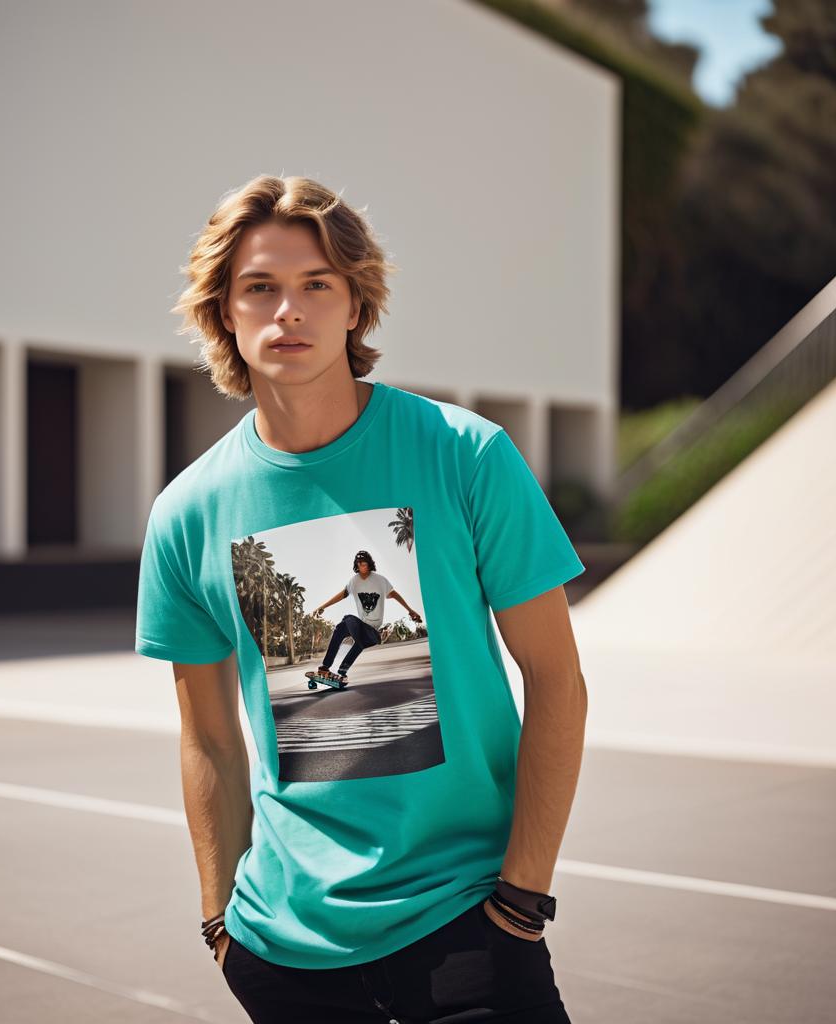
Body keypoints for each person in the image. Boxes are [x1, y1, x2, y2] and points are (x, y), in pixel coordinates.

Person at [135, 175, 589, 1023]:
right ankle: (331, 675)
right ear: (223, 314)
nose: (288, 311)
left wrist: (523, 900)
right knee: (339, 644)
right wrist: (218, 922)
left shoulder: (466, 455)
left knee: (353, 638)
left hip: (468, 925)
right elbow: (206, 736)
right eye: (260, 288)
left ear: (355, 306)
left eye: (316, 285)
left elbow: (558, 680)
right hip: (282, 950)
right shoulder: (188, 512)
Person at [310, 549, 423, 683]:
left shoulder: (380, 580)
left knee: (351, 623)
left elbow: (394, 594)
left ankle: (342, 669)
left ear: (369, 564)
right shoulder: (354, 581)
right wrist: (322, 606)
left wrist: (410, 610)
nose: (361, 567)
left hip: (372, 631)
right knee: (340, 628)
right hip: (360, 627)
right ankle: (328, 668)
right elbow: (342, 594)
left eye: (364, 564)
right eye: (359, 564)